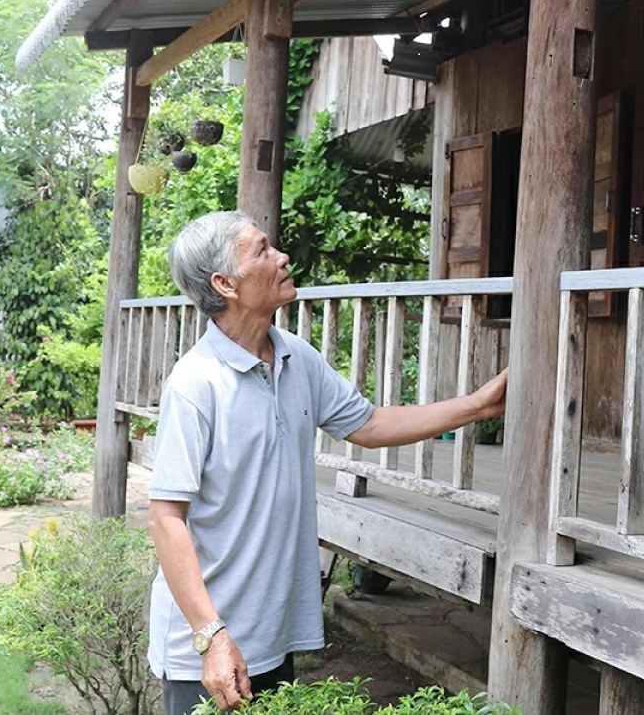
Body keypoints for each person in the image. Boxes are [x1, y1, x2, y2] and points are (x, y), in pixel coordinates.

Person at [146, 211, 507, 714]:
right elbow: (167, 519)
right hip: (208, 647)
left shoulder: (296, 357)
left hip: (270, 633)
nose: (282, 257)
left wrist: (479, 405)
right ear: (225, 284)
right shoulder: (194, 385)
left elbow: (370, 424)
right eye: (263, 250)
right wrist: (212, 636)